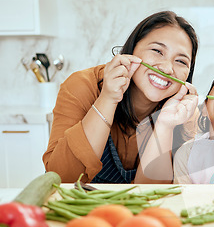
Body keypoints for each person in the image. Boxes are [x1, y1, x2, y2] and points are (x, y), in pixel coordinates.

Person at [43, 11, 199, 184]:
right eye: (157, 51)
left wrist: (164, 125)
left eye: (181, 61)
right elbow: (61, 179)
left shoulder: (183, 113)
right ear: (132, 49)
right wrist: (108, 98)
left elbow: (152, 196)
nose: (168, 69)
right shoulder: (82, 85)